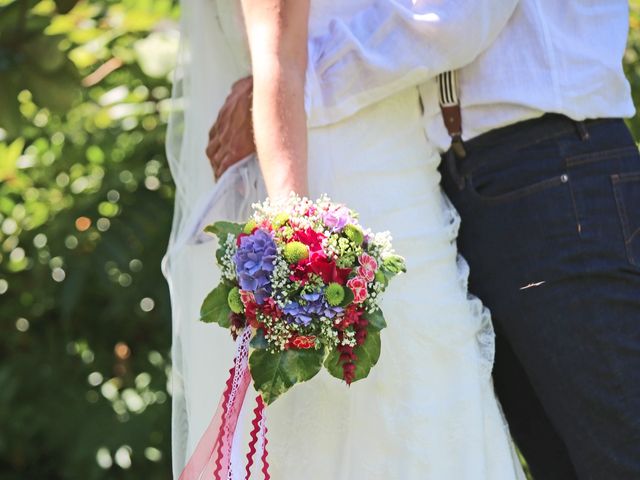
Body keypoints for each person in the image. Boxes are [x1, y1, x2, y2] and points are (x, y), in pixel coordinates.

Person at [207, 1, 640, 479]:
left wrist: (290, 81)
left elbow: (452, 20)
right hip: (481, 179)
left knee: (620, 450)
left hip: (554, 163)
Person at [164, 0, 528, 478]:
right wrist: (294, 244)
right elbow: (276, 59)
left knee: (433, 405)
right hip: (340, 181)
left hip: (405, 182)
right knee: (354, 424)